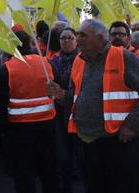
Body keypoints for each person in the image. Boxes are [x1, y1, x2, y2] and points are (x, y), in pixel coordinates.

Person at [47, 19, 139, 193]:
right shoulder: (79, 60)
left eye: (82, 35)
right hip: (87, 142)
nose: (78, 38)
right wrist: (62, 95)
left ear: (100, 38)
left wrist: (132, 125)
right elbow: (75, 97)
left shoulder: (124, 57)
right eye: (78, 34)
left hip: (119, 143)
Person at [0, 31, 58, 193]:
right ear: (29, 43)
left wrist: (2, 131)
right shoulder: (46, 63)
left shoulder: (6, 69)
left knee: (24, 174)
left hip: (19, 129)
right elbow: (60, 88)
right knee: (48, 171)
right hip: (47, 125)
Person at [50, 27, 80, 193]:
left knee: (80, 150)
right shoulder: (53, 61)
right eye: (63, 38)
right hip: (60, 111)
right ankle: (65, 183)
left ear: (76, 40)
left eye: (70, 38)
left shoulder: (83, 60)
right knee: (63, 149)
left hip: (78, 110)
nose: (66, 41)